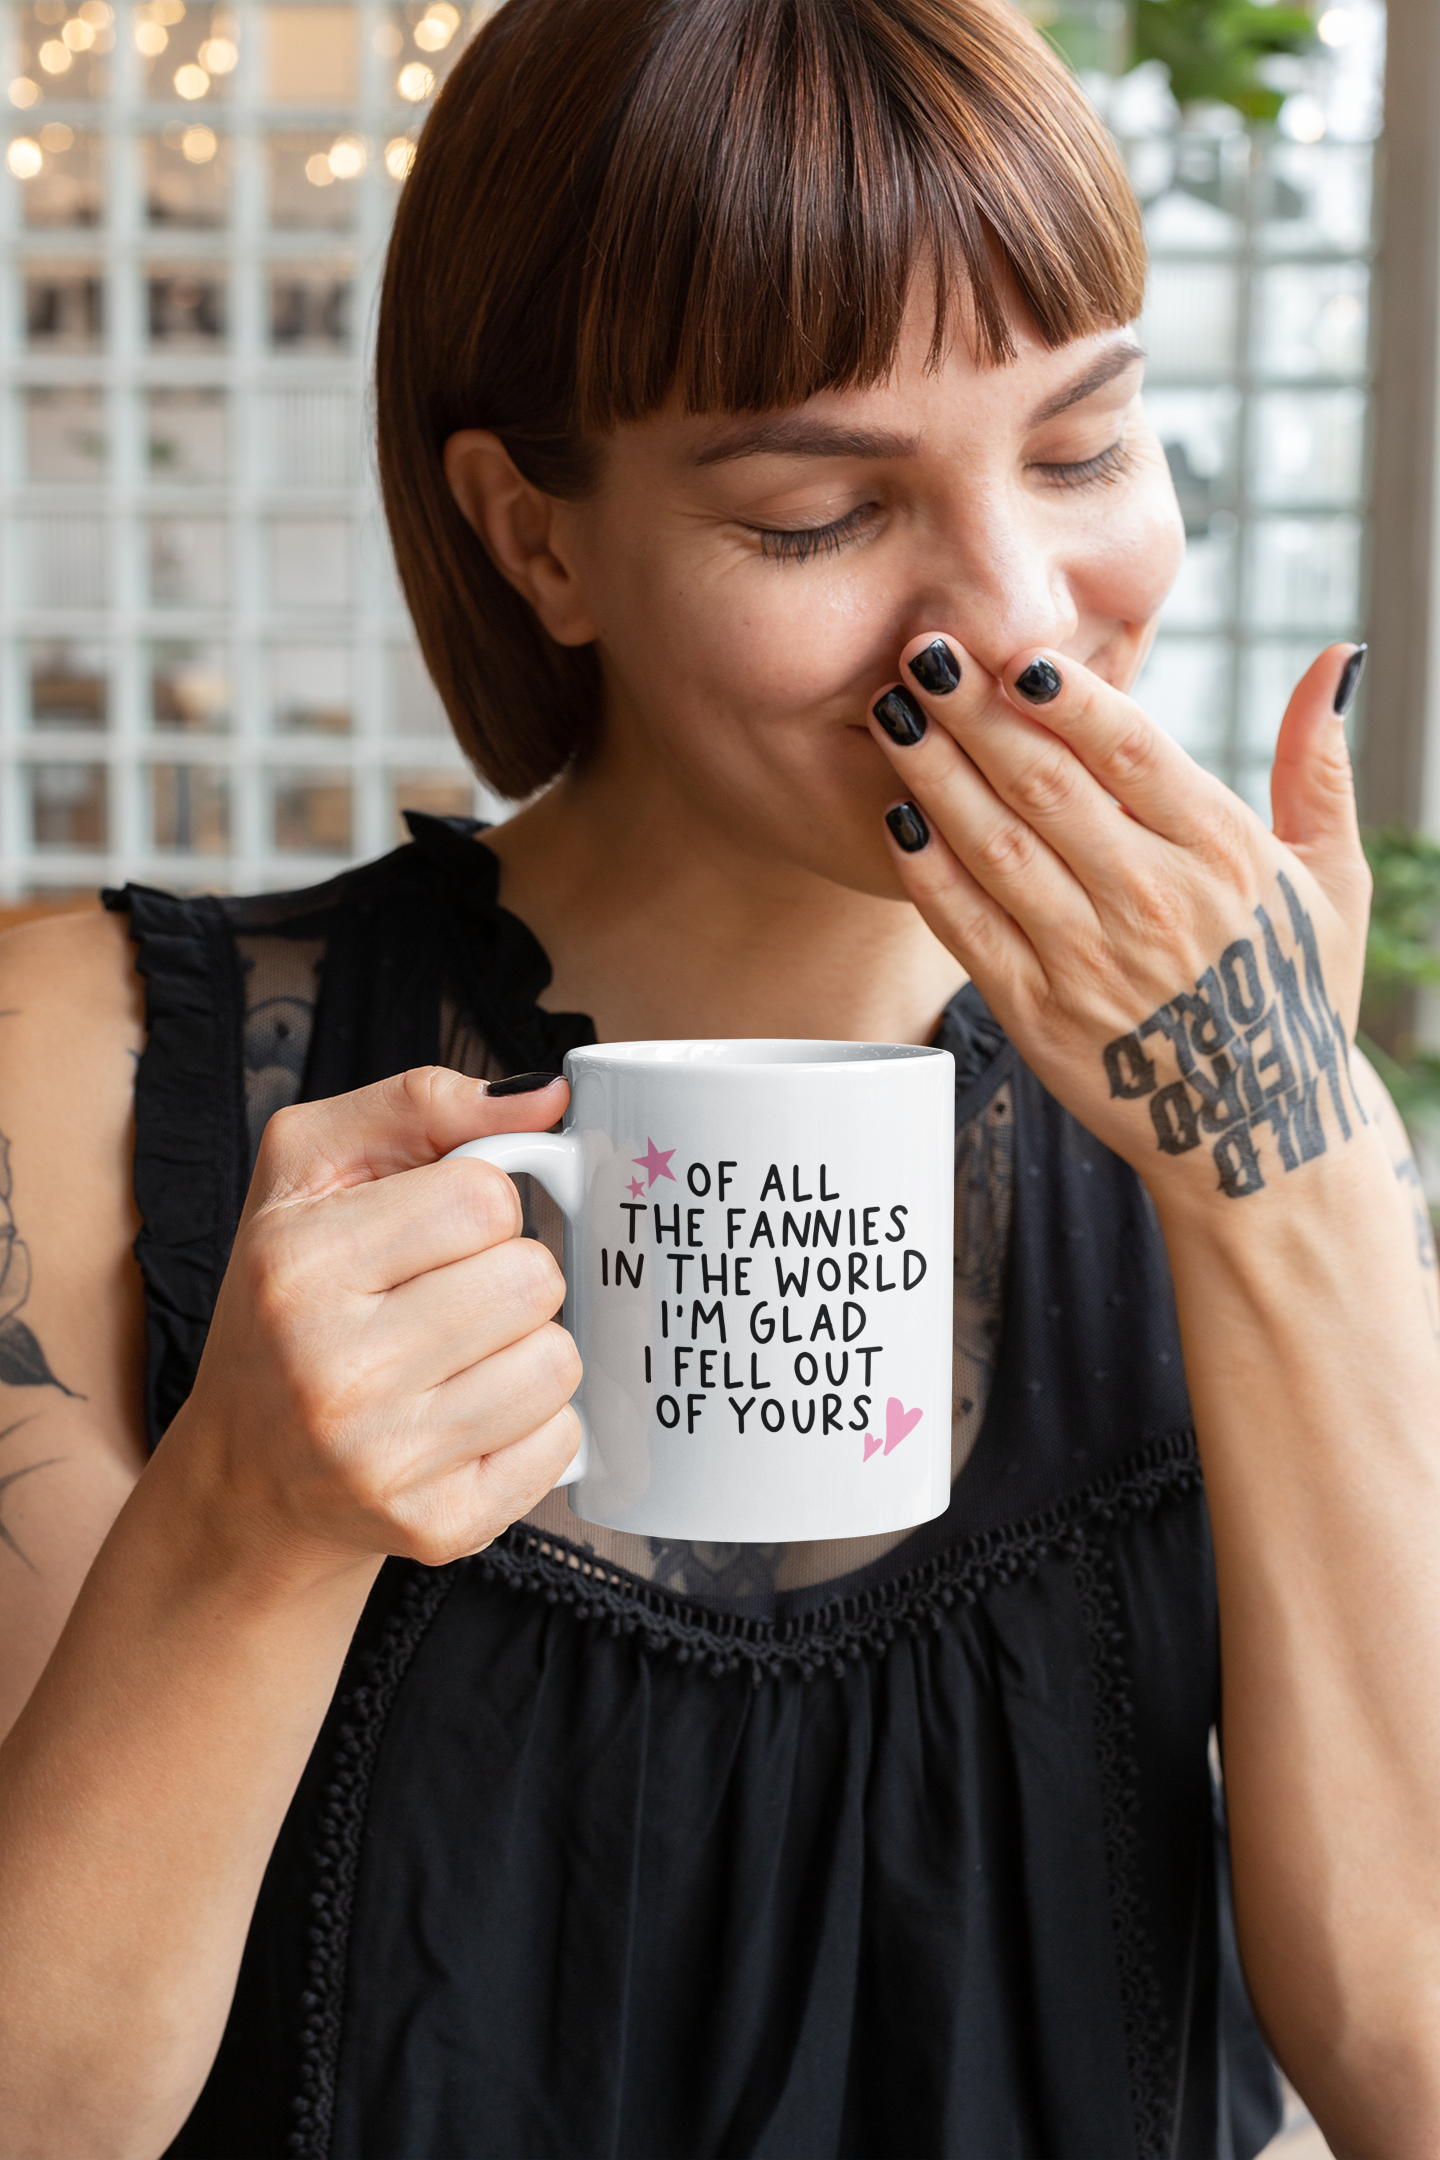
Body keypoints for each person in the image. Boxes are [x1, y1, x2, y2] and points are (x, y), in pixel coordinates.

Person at [1, 0, 1438, 2152]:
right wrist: (249, 1522)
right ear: (538, 539)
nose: (1025, 611)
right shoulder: (84, 1069)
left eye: (1080, 446)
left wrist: (1283, 1161)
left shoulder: (1260, 1087)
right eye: (812, 513)